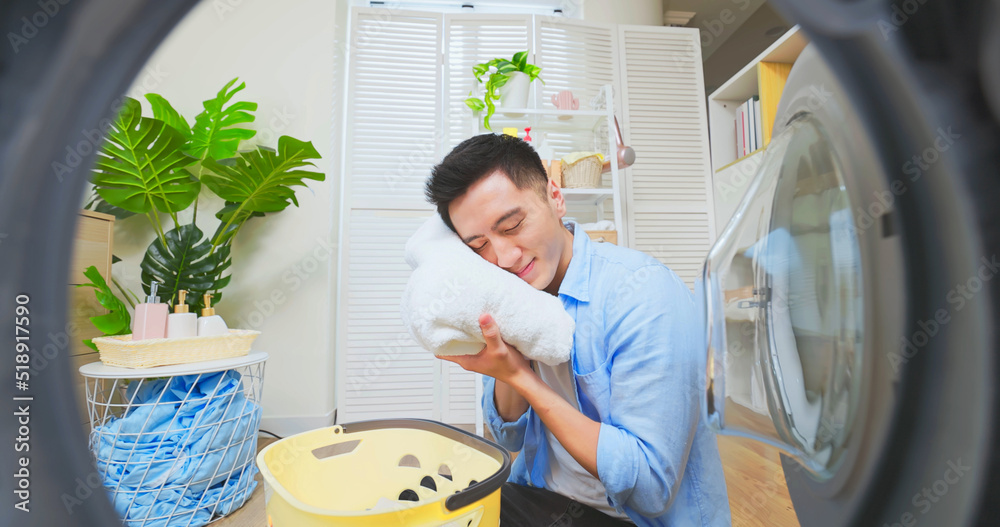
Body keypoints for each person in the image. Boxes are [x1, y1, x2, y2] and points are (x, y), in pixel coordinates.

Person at [425, 133, 731, 526]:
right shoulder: (508, 295)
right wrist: (505, 370)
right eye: (479, 246)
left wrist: (522, 377)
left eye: (513, 225)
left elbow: (650, 488)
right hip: (544, 497)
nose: (502, 258)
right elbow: (509, 438)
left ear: (555, 196)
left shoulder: (643, 294)